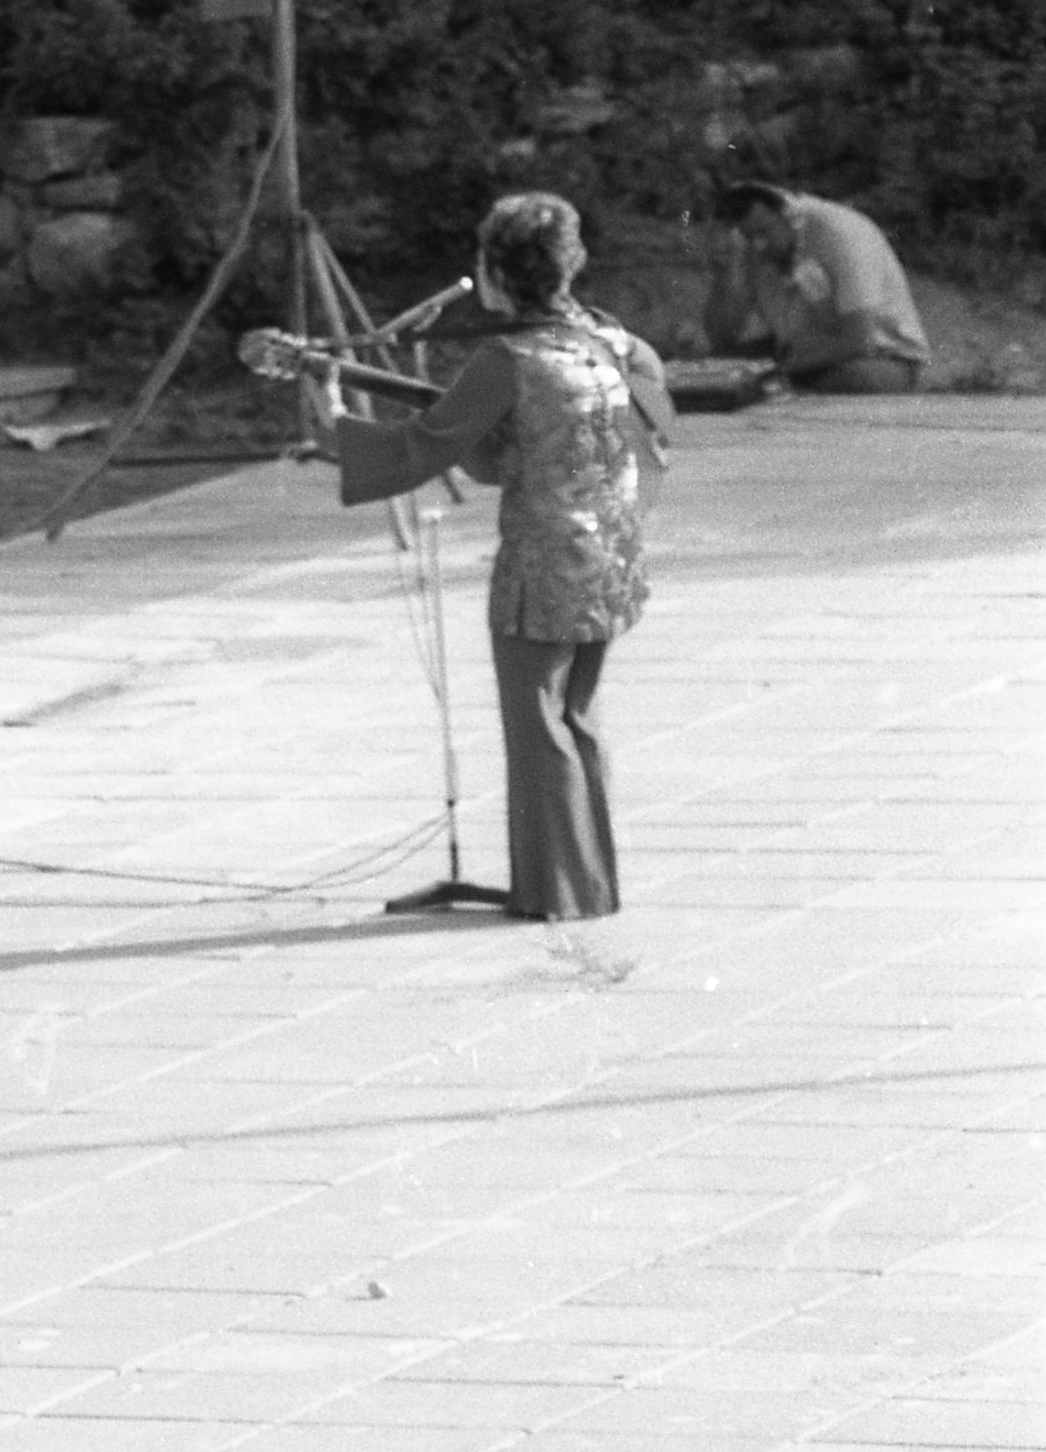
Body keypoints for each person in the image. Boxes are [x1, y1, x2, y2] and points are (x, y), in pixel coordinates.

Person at [330, 190, 671, 924]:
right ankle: (586, 884)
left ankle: (557, 893)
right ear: (568, 264)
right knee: (574, 718)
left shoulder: (506, 359)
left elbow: (429, 443)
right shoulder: (608, 342)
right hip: (613, 555)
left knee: (537, 726)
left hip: (542, 565)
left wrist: (333, 430)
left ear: (494, 272)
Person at [705, 176, 930, 396]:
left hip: (881, 357)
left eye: (764, 232)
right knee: (715, 365)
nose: (758, 245)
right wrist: (727, 268)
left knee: (854, 378)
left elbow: (860, 340)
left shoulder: (840, 234)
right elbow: (722, 337)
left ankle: (787, 389)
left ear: (789, 217)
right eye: (747, 235)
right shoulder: (751, 246)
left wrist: (782, 370)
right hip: (799, 351)